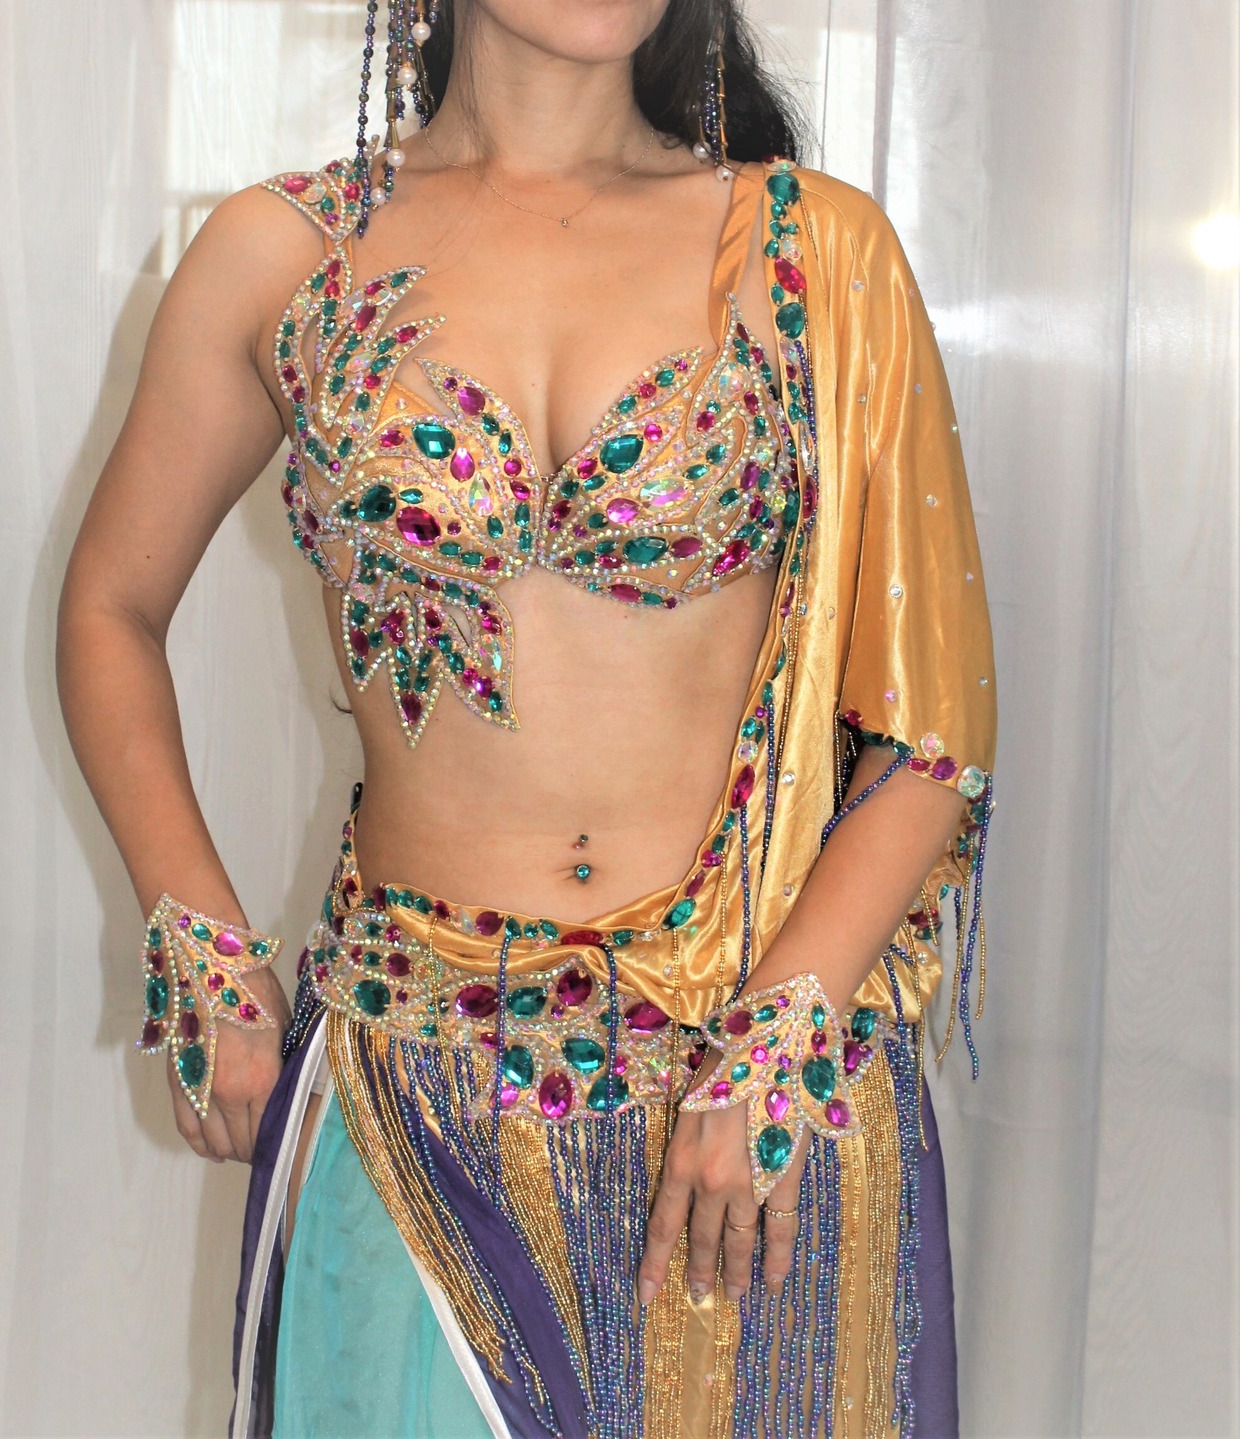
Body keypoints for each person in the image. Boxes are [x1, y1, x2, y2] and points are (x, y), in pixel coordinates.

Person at [57, 1, 997, 1435]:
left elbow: (931, 728)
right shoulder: (282, 254)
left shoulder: (814, 252)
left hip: (749, 1122)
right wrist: (199, 937)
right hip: (410, 1090)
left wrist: (776, 1042)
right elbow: (112, 609)